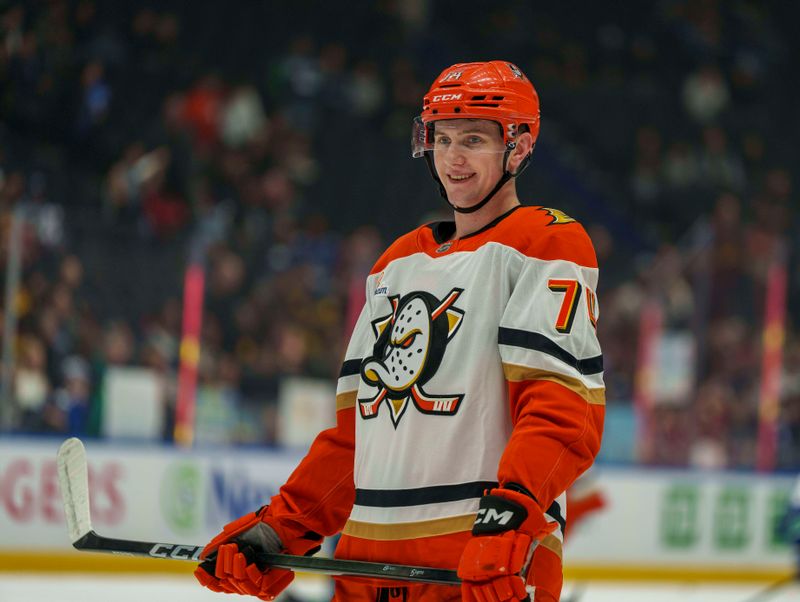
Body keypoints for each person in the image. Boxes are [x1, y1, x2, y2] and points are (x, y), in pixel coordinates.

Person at [194, 60, 605, 602]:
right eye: (443, 138)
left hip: (481, 557)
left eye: (475, 139)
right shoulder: (395, 265)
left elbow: (562, 412)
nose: (454, 158)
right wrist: (282, 527)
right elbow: (354, 438)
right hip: (366, 565)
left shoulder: (546, 244)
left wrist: (512, 516)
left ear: (520, 147)